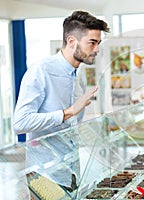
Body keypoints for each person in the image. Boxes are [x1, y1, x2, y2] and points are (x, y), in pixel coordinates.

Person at [13, 10, 109, 190]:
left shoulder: (79, 76)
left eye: (98, 43)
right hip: (45, 174)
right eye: (92, 43)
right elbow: (20, 123)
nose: (96, 49)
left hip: (71, 168)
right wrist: (68, 112)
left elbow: (72, 127)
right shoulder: (41, 71)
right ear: (71, 41)